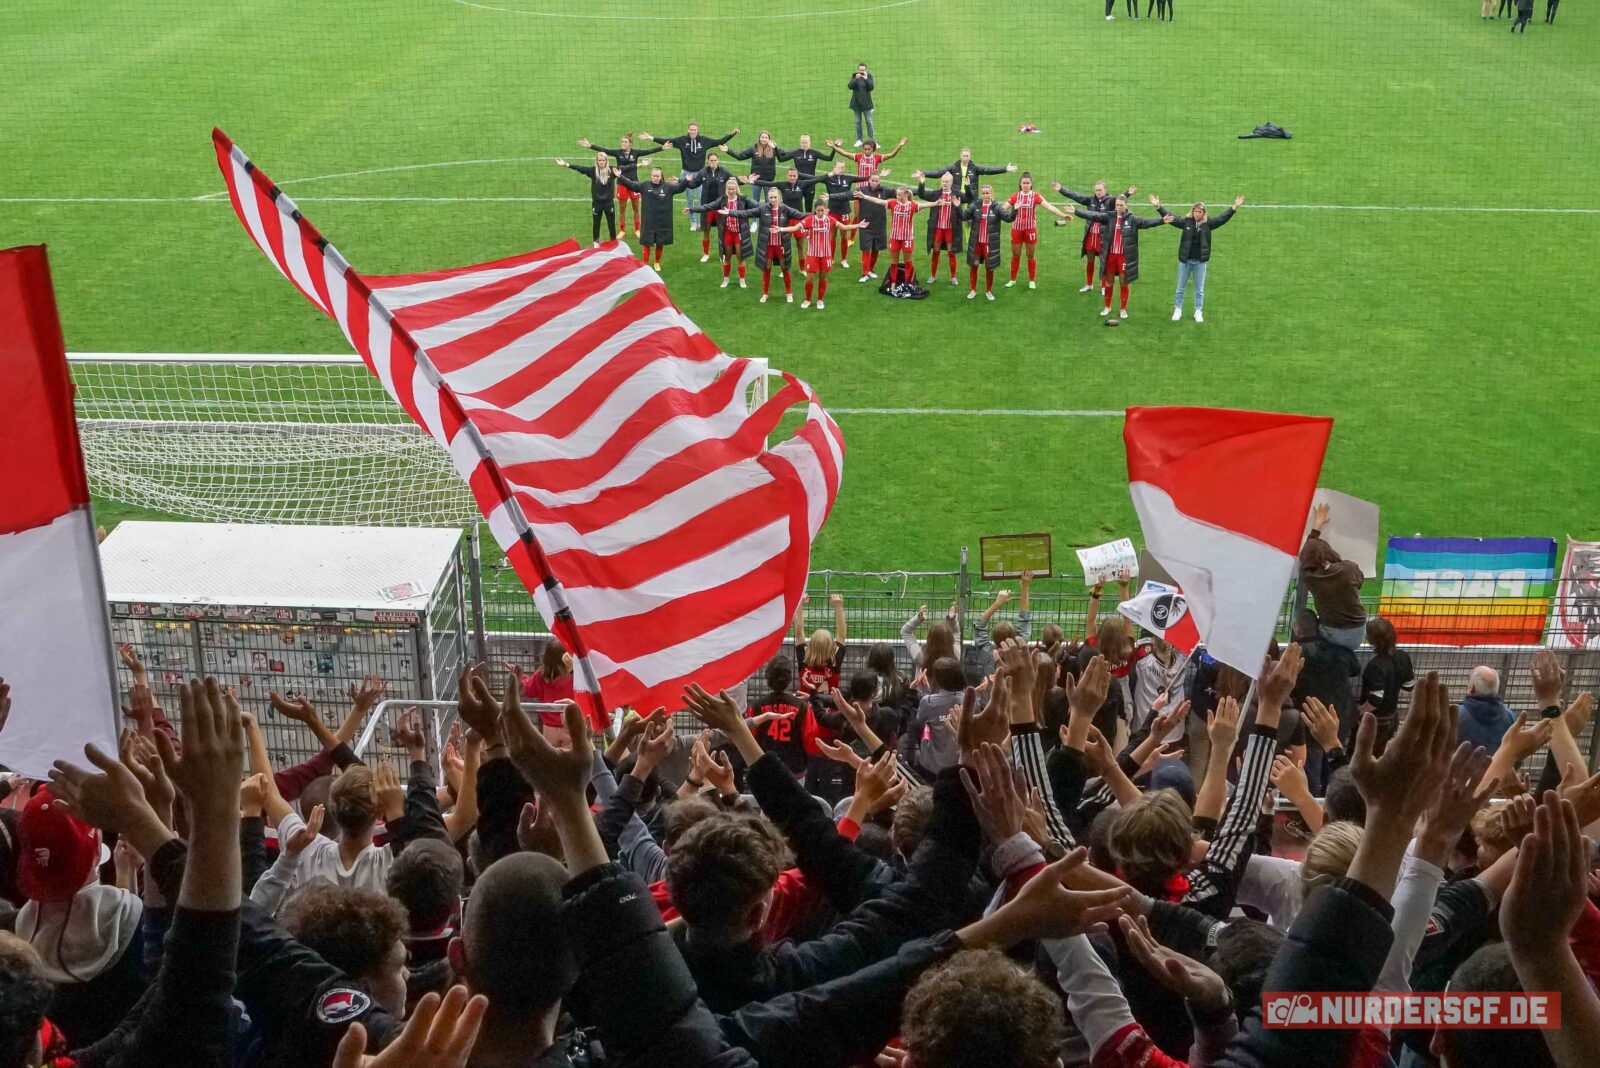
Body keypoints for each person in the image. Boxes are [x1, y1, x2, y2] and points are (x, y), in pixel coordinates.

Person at [1151, 194, 1245, 323]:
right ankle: (1178, 309)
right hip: (1185, 261)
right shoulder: (1186, 222)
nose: (1197, 214)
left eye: (1199, 212)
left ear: (1203, 213)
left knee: (1199, 289)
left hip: (1200, 262)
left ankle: (1198, 311)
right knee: (1180, 287)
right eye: (1195, 211)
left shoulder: (1209, 224)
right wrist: (1158, 206)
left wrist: (1234, 207)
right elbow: (1171, 218)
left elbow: (1223, 218)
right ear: (1192, 211)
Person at [1071, 195, 1166, 319]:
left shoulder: (1132, 219)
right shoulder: (1109, 216)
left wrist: (1162, 220)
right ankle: (1107, 307)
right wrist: (1076, 211)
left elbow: (1147, 222)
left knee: (1123, 283)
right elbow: (1094, 215)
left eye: (1121, 205)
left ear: (1126, 205)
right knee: (1109, 282)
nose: (1119, 207)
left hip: (1123, 257)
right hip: (1110, 256)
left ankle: (1123, 309)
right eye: (1117, 205)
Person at [640, 123, 739, 232]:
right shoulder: (682, 140)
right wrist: (650, 137)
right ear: (688, 130)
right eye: (691, 129)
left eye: (695, 130)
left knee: (703, 199)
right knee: (690, 199)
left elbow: (719, 141)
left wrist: (732, 134)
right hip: (686, 174)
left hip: (701, 174)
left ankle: (702, 222)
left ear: (697, 130)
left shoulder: (704, 141)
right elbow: (666, 140)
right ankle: (693, 222)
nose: (693, 131)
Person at [1295, 502, 1367, 648]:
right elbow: (1359, 582)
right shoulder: (1349, 568)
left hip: (1331, 632)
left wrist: (1316, 527)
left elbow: (1308, 553)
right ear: (1329, 552)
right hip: (1357, 631)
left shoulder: (1309, 577)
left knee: (1305, 618)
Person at [777, 200, 864, 310]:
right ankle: (807, 299)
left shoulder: (830, 220)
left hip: (826, 255)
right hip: (813, 255)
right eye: (818, 210)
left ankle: (820, 300)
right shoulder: (809, 220)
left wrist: (858, 225)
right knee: (810, 279)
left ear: (826, 210)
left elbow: (843, 227)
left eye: (822, 210)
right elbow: (795, 228)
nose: (820, 213)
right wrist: (781, 229)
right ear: (815, 210)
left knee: (823, 278)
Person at [1054, 179, 1138, 292]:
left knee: (1104, 262)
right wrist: (1061, 189)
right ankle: (1089, 284)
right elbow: (1075, 196)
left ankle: (1104, 286)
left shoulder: (1110, 201)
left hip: (1103, 237)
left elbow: (1120, 198)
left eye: (1100, 190)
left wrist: (1128, 192)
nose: (1098, 192)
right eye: (1096, 190)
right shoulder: (1090, 200)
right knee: (1090, 260)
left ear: (1105, 190)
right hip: (1090, 235)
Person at [576, 133, 663, 240]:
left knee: (636, 207)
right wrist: (591, 146)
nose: (623, 143)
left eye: (625, 142)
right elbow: (605, 150)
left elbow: (649, 151)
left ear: (630, 144)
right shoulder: (618, 153)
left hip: (634, 184)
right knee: (622, 208)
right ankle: (622, 230)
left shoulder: (635, 153)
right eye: (622, 142)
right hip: (622, 184)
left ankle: (637, 230)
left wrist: (662, 148)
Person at [729, 187, 804, 303]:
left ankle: (789, 293)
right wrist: (730, 212)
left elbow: (800, 215)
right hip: (768, 245)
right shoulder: (763, 209)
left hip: (781, 245)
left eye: (775, 197)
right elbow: (747, 213)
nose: (773, 200)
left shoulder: (785, 209)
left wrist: (816, 213)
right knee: (766, 269)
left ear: (779, 198)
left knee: (785, 268)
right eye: (771, 197)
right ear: (768, 198)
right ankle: (765, 293)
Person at [688, 176, 757, 289]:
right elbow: (707, 206)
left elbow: (757, 207)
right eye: (729, 189)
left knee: (741, 257)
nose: (731, 191)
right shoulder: (722, 200)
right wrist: (692, 209)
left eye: (733, 189)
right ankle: (726, 279)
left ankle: (742, 280)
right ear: (726, 189)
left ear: (736, 189)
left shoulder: (743, 199)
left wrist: (771, 206)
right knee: (727, 257)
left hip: (739, 233)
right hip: (728, 233)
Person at [1004, 174, 1071, 289]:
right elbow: (1002, 209)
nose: (1026, 185)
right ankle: (1012, 279)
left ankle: (1031, 280)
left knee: (1030, 255)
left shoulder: (1035, 196)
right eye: (1024, 183)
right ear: (1020, 184)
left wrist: (1063, 215)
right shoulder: (1015, 196)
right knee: (1016, 254)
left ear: (1031, 184)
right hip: (1016, 229)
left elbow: (1050, 207)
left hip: (1030, 229)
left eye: (1028, 183)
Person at [1358, 617, 1414, 755]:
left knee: (1362, 757)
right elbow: (1409, 686)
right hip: (1392, 717)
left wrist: (1359, 713)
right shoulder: (1403, 656)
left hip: (1374, 721)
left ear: (1371, 640)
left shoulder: (1376, 665)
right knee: (1380, 756)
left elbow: (1375, 700)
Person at [615, 165, 686, 269]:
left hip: (663, 221)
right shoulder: (645, 185)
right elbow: (631, 185)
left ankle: (657, 262)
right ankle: (645, 263)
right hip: (648, 220)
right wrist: (621, 177)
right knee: (646, 243)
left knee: (660, 243)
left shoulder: (668, 187)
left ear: (661, 176)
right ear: (651, 176)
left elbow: (680, 188)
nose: (655, 178)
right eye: (654, 176)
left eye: (657, 176)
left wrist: (685, 181)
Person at [854, 184, 923, 286]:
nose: (897, 197)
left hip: (907, 238)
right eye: (897, 195)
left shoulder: (912, 205)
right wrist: (864, 196)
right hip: (894, 237)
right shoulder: (893, 203)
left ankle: (908, 282)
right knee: (893, 261)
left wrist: (937, 203)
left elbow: (927, 205)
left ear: (906, 195)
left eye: (899, 195)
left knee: (908, 261)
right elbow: (878, 201)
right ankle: (893, 283)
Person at [816, 160, 876, 270]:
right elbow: (817, 179)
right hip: (832, 210)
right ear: (834, 167)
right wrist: (830, 174)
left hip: (844, 211)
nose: (841, 169)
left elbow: (864, 178)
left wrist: (878, 175)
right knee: (832, 235)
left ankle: (843, 259)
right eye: (839, 167)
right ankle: (831, 258)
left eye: (842, 167)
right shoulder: (828, 178)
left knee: (844, 235)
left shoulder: (848, 178)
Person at [683, 151, 741, 262]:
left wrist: (745, 179)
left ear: (718, 161)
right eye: (711, 160)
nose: (713, 162)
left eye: (715, 160)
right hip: (707, 207)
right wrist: (684, 181)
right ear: (708, 161)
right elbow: (694, 184)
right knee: (706, 231)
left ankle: (722, 254)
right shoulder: (703, 172)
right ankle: (705, 254)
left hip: (721, 207)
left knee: (722, 231)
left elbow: (735, 180)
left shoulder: (723, 171)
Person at [552, 153, 619, 247]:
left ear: (606, 161)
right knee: (596, 224)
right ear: (597, 161)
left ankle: (613, 243)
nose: (601, 162)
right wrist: (566, 164)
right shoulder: (593, 171)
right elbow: (580, 168)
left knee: (611, 224)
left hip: (609, 203)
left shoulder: (612, 170)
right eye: (599, 160)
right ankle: (596, 243)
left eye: (603, 160)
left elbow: (627, 168)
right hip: (597, 204)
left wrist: (639, 165)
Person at [911, 171, 965, 287]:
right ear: (941, 182)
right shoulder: (936, 194)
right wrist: (921, 182)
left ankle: (953, 277)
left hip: (950, 229)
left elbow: (969, 199)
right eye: (943, 181)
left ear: (951, 182)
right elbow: (922, 194)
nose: (945, 183)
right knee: (935, 252)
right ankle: (933, 275)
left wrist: (968, 187)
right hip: (938, 229)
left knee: (951, 253)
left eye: (947, 182)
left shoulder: (956, 195)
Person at [961, 184, 1014, 300]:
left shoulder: (997, 207)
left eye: (987, 193)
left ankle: (988, 291)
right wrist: (956, 206)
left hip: (989, 245)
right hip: (976, 243)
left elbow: (1008, 218)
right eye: (983, 193)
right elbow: (964, 216)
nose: (985, 195)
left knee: (989, 267)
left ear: (991, 194)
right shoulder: (975, 205)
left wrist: (1016, 208)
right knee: (974, 266)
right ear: (981, 194)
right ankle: (973, 290)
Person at [918, 149, 1018, 204]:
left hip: (970, 197)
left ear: (970, 157)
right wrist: (924, 173)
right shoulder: (953, 167)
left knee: (970, 222)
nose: (965, 158)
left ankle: (968, 241)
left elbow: (989, 170)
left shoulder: (974, 167)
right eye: (963, 156)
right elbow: (938, 173)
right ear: (960, 156)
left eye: (967, 156)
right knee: (957, 219)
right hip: (957, 196)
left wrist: (1005, 169)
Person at [1458, 666, 1517, 752]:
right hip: (1498, 765)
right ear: (1496, 690)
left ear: (1472, 688)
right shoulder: (1510, 717)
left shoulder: (1456, 715)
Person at [775, 134, 835, 210]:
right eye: (803, 142)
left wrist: (834, 147)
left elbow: (829, 158)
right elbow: (781, 159)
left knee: (809, 208)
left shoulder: (814, 153)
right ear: (800, 143)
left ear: (810, 143)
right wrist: (775, 148)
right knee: (797, 208)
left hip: (810, 184)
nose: (804, 144)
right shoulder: (795, 153)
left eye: (806, 142)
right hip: (798, 184)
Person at [851, 172, 890, 282]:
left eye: (877, 181)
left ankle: (870, 270)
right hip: (866, 225)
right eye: (872, 180)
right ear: (869, 180)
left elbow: (900, 193)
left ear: (879, 181)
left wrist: (916, 190)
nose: (874, 183)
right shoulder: (862, 190)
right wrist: (831, 196)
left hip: (879, 225)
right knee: (866, 249)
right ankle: (864, 274)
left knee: (876, 249)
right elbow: (847, 195)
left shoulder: (884, 191)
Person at [751, 166, 825, 215]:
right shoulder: (783, 185)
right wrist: (753, 182)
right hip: (785, 214)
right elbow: (768, 183)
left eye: (794, 176)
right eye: (790, 176)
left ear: (797, 176)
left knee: (799, 237)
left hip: (798, 214)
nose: (792, 178)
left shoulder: (802, 184)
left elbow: (816, 180)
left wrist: (830, 175)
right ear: (787, 176)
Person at [847, 63, 875, 146]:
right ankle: (859, 139)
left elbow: (871, 87)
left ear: (866, 70)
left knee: (869, 122)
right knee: (858, 122)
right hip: (856, 104)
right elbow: (850, 86)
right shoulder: (855, 77)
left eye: (863, 70)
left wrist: (866, 79)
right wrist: (855, 79)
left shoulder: (869, 77)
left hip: (867, 105)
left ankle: (871, 140)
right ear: (858, 70)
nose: (861, 71)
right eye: (860, 70)